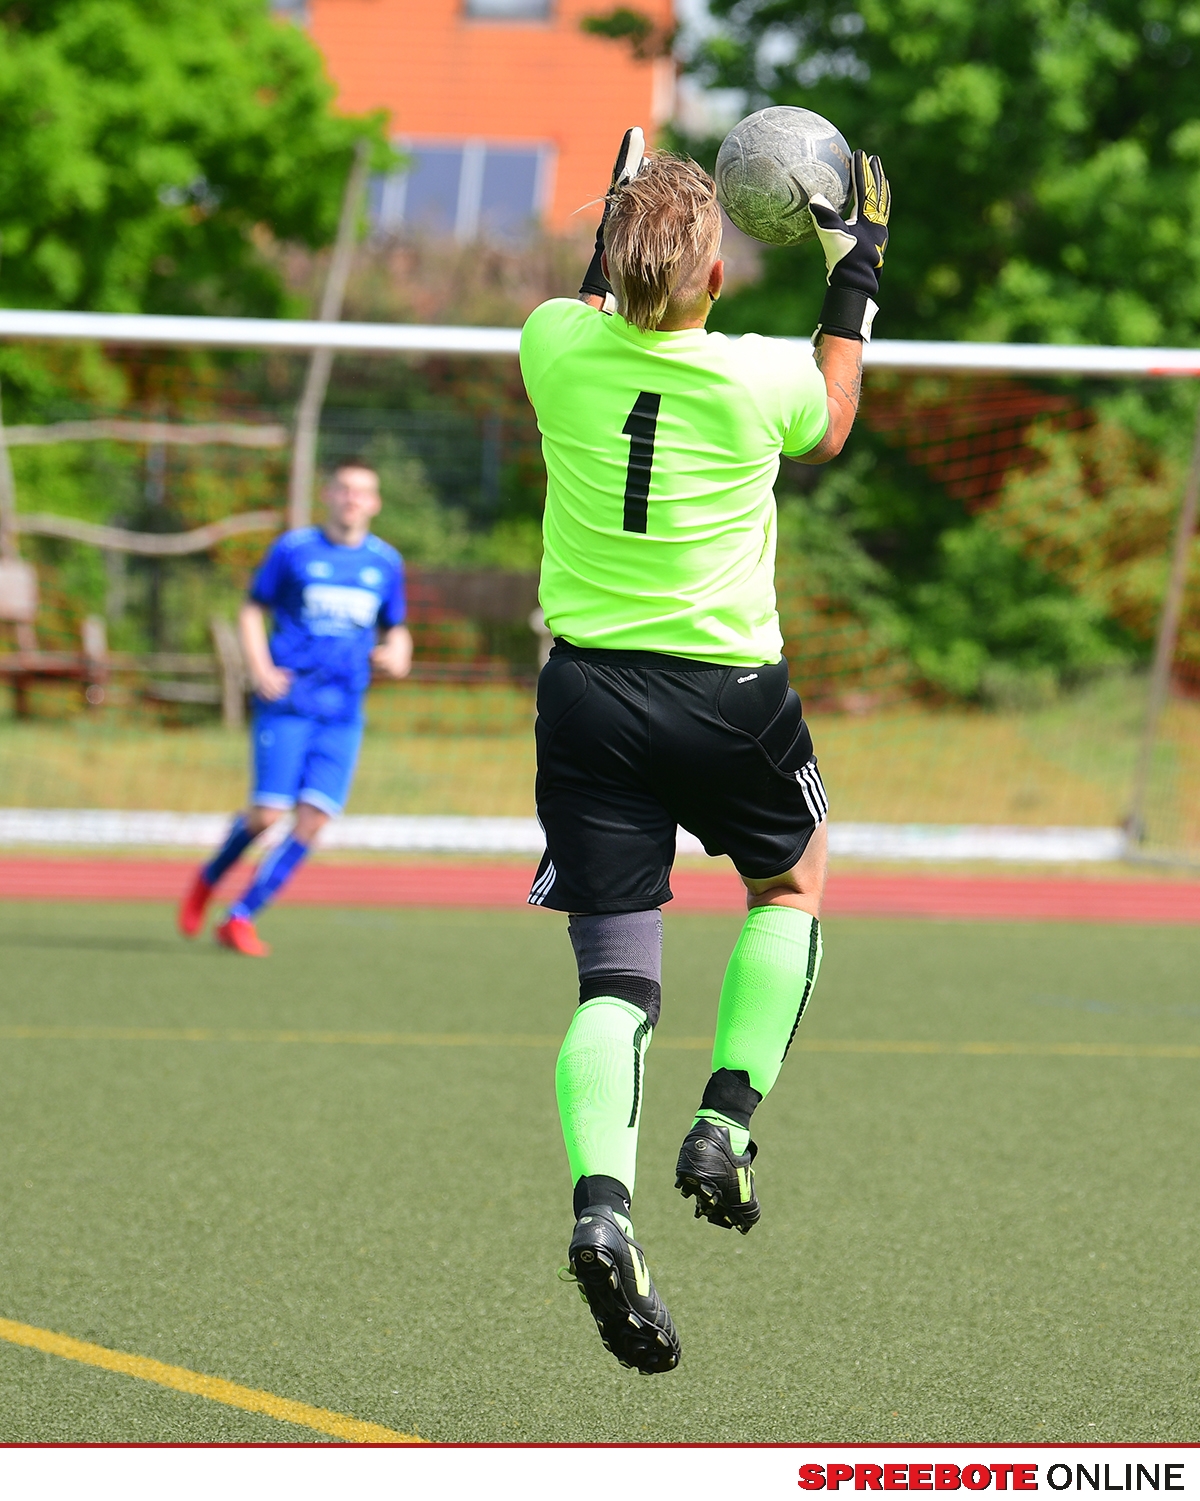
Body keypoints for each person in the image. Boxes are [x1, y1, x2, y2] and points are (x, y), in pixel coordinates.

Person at [519, 131, 890, 1373]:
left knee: (614, 986)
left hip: (586, 697)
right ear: (717, 277)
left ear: (609, 258)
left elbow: (588, 307)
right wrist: (855, 262)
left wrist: (613, 224)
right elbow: (834, 419)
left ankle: (601, 1210)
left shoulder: (550, 345)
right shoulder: (757, 378)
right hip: (728, 695)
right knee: (792, 880)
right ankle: (725, 1120)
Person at [178, 460, 412, 956]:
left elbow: (396, 627)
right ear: (327, 494)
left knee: (314, 820)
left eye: (362, 492)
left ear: (375, 503)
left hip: (343, 711)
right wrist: (259, 667)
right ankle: (208, 879)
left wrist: (399, 652)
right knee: (267, 815)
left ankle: (240, 917)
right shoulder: (294, 549)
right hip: (288, 702)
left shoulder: (385, 562)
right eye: (344, 489)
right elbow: (251, 609)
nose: (352, 498)